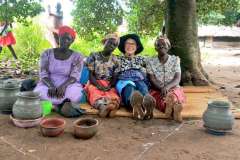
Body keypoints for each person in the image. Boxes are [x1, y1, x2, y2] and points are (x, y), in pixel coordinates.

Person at [34, 26, 84, 115]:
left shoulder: (78, 56)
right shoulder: (47, 53)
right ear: (58, 38)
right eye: (63, 38)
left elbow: (75, 76)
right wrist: (50, 86)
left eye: (68, 39)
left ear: (72, 41)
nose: (65, 41)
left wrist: (63, 86)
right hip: (49, 82)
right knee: (38, 93)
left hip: (68, 83)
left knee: (76, 94)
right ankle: (60, 106)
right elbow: (43, 73)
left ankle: (53, 105)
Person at [116, 33, 155, 120]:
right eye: (127, 43)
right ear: (123, 46)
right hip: (124, 80)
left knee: (142, 86)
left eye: (132, 44)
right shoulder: (117, 59)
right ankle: (134, 105)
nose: (130, 46)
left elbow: (155, 62)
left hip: (139, 79)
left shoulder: (142, 59)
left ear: (136, 47)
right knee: (129, 87)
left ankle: (147, 104)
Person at [146, 36, 186, 122]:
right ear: (155, 48)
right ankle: (174, 108)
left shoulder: (175, 60)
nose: (161, 46)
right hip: (157, 88)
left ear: (169, 47)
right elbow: (152, 79)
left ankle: (172, 104)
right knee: (157, 98)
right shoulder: (150, 61)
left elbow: (177, 78)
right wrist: (161, 88)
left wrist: (167, 87)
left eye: (164, 44)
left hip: (173, 87)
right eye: (158, 45)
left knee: (175, 93)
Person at [85, 33, 120, 117]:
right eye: (110, 42)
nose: (112, 46)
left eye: (114, 45)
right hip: (94, 82)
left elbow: (115, 76)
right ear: (105, 42)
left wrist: (110, 85)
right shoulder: (93, 55)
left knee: (112, 94)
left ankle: (113, 106)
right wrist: (97, 85)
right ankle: (102, 107)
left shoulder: (116, 59)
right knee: (94, 92)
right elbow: (90, 74)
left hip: (108, 84)